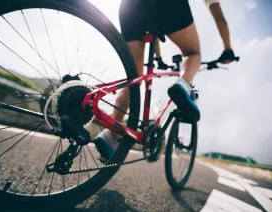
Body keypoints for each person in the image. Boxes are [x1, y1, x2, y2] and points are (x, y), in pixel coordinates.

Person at [93, 0, 236, 162]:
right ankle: (182, 85)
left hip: (129, 6)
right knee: (193, 53)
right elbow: (220, 19)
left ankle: (111, 134)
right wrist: (228, 49)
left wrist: (159, 58)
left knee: (134, 78)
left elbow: (151, 25)